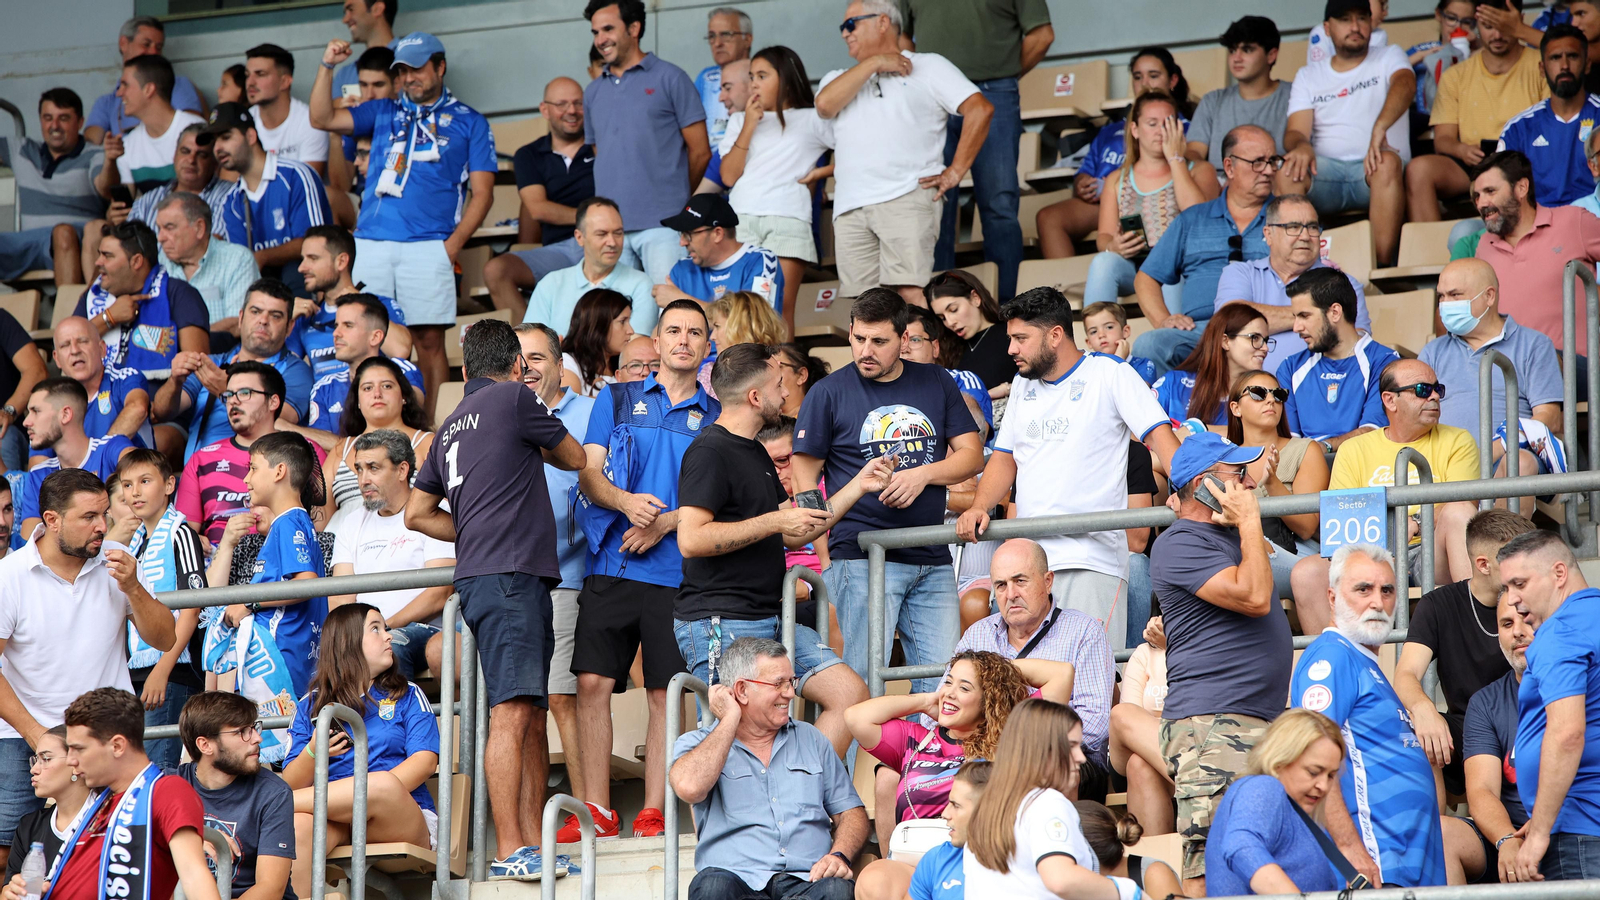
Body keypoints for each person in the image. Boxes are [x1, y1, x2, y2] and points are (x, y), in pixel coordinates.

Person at [406, 317, 587, 876]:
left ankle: (531, 842)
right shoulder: (515, 397)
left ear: (464, 371)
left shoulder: (449, 424)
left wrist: (473, 529)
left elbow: (415, 513)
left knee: (528, 711)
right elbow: (576, 457)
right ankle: (510, 849)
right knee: (511, 713)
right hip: (510, 576)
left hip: (492, 575)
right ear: (516, 365)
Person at [675, 343, 882, 756]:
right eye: (778, 385)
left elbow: (795, 529)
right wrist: (773, 522)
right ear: (755, 397)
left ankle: (799, 784)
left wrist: (859, 485)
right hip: (722, 619)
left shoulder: (754, 449)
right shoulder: (709, 451)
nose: (786, 393)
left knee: (849, 694)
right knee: (737, 738)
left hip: (770, 617)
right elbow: (691, 539)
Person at [955, 287, 1177, 644]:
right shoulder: (1022, 386)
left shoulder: (1110, 372)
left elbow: (1161, 438)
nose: (1011, 349)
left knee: (1086, 671)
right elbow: (1004, 457)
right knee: (1027, 674)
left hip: (1091, 560)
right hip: (1029, 564)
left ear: (1055, 335)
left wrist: (1187, 491)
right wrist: (980, 505)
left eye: (1021, 339)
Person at [567, 300, 714, 839]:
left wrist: (666, 522)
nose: (683, 340)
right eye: (674, 330)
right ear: (657, 340)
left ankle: (654, 809)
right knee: (591, 682)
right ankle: (598, 811)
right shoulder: (616, 397)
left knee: (663, 693)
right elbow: (588, 474)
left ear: (706, 345)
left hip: (677, 573)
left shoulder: (716, 416)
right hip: (612, 561)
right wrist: (628, 504)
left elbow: (716, 501)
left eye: (694, 333)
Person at [794, 289, 984, 692]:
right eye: (859, 338)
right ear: (849, 332)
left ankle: (924, 741)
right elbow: (803, 477)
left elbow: (972, 456)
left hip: (931, 553)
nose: (866, 350)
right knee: (863, 685)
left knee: (942, 685)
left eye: (879, 341)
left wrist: (923, 475)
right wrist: (823, 552)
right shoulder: (827, 392)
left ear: (904, 339)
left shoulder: (936, 379)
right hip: (861, 557)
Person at [310, 33, 498, 416]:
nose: (409, 77)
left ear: (440, 67)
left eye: (417, 68)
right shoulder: (382, 110)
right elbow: (322, 118)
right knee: (367, 337)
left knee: (428, 342)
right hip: (371, 243)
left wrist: (451, 246)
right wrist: (327, 65)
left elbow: (483, 194)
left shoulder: (470, 121)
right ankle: (367, 422)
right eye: (402, 70)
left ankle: (431, 429)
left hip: (430, 245)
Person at [0, 469, 176, 874]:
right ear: (51, 520)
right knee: (6, 849)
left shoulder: (118, 561)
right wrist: (37, 735)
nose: (102, 526)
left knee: (119, 845)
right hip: (22, 734)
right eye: (89, 517)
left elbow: (165, 638)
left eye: (104, 514)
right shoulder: (9, 576)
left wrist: (134, 588)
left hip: (105, 735)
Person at [1151, 431, 1290, 895]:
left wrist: (1246, 528)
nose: (1249, 483)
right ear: (1205, 484)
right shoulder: (1180, 541)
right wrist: (1250, 521)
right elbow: (1254, 597)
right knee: (1210, 866)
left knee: (1252, 856)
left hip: (1248, 721)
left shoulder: (1228, 538)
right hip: (1212, 726)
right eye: (1238, 474)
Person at [1292, 543, 1464, 887]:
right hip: (1375, 865)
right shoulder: (1331, 658)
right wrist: (1349, 848)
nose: (1377, 602)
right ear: (1332, 598)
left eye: (1387, 590)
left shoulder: (1364, 663)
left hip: (1408, 867)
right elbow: (1310, 759)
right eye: (1363, 589)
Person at [848, 653, 1071, 897]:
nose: (950, 693)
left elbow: (1062, 675)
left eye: (964, 687)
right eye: (948, 682)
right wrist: (925, 701)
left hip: (977, 857)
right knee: (874, 879)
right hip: (916, 858)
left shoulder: (1011, 736)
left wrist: (996, 672)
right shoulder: (916, 739)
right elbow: (856, 718)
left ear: (989, 698)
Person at [815, 1, 990, 306]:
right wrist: (875, 63)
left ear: (883, 22)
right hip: (851, 205)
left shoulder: (929, 65)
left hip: (907, 195)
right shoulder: (837, 78)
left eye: (851, 24)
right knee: (866, 307)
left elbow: (980, 108)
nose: (844, 33)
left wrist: (956, 171)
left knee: (911, 294)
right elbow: (824, 105)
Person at [1291, 359, 1484, 630]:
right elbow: (1342, 518)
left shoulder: (1458, 440)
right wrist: (1388, 537)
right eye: (1422, 390)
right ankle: (1335, 656)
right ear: (1390, 400)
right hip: (1370, 552)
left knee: (1460, 513)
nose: (1434, 397)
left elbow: (1462, 505)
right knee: (1306, 572)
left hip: (1428, 551)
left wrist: (1416, 522)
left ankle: (1476, 630)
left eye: (1437, 389)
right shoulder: (1354, 449)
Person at [669, 637, 866, 900]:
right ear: (741, 691)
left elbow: (852, 813)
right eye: (778, 684)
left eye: (791, 682)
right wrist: (729, 719)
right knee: (712, 887)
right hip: (736, 881)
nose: (790, 693)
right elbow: (689, 787)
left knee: (837, 890)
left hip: (807, 880)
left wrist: (839, 855)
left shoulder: (811, 738)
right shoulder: (697, 744)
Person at [0, 688, 219, 900]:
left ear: (117, 746)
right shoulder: (101, 804)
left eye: (79, 749)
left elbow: (193, 875)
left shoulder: (163, 790)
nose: (71, 760)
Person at [280, 604, 439, 897]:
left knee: (380, 785)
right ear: (346, 642)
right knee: (298, 827)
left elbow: (425, 762)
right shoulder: (309, 706)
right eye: (376, 629)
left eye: (385, 628)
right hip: (333, 818)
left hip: (397, 816)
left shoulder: (407, 694)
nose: (389, 636)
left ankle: (269, 804)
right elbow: (290, 781)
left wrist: (364, 795)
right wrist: (313, 751)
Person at [900, 0, 1052, 301]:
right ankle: (938, 310)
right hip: (933, 95)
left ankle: (1009, 311)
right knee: (935, 204)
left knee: (999, 205)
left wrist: (1004, 72)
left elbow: (1042, 35)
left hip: (993, 89)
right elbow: (900, 37)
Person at [506, 323, 595, 821]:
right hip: (515, 580)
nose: (528, 368)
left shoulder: (590, 413)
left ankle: (588, 816)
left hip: (569, 574)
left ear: (561, 366)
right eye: (519, 359)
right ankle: (531, 827)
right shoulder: (500, 413)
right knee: (526, 709)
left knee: (560, 696)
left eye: (538, 358)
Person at [947, 539, 1117, 797]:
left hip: (1066, 759)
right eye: (1001, 585)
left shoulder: (1083, 631)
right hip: (983, 757)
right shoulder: (978, 635)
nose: (1010, 594)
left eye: (1020, 581)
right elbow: (940, 710)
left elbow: (1094, 725)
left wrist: (1021, 749)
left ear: (1048, 581)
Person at [1395, 510, 1534, 799]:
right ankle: (1438, 825)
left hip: (1531, 716)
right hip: (1467, 728)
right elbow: (1406, 673)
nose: (1526, 568)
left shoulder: (1536, 598)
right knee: (1411, 729)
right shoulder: (1438, 605)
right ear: (1483, 564)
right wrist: (1423, 709)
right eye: (1515, 559)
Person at [962, 698, 1145, 900]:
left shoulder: (988, 808)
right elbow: (1061, 879)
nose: (1081, 757)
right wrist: (1130, 892)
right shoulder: (1047, 802)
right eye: (1072, 746)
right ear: (1041, 749)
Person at [583, 0, 709, 286]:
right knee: (615, 313)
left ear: (634, 28)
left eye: (608, 29)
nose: (600, 40)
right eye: (595, 32)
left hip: (664, 225)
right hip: (610, 230)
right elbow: (602, 154)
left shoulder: (672, 78)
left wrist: (674, 197)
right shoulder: (592, 92)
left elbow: (701, 152)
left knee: (671, 309)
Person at [1131, 124, 1275, 375]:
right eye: (1258, 162)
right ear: (1229, 167)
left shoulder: (1288, 217)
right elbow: (1146, 278)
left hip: (1269, 331)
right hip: (1202, 333)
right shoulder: (1193, 219)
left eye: (1273, 161)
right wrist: (1164, 319)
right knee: (1149, 345)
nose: (1269, 170)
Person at [1498, 529, 1600, 881]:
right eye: (1506, 587)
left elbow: (1567, 733)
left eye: (1520, 584)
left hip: (1579, 831)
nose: (1512, 599)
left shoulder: (1559, 631)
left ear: (1559, 573)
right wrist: (1544, 812)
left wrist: (1541, 831)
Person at [1282, 0, 1413, 267]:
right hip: (1325, 174)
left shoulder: (1389, 55)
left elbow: (1406, 83)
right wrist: (1301, 145)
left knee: (1387, 162)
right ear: (1327, 28)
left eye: (1362, 18)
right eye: (1344, 20)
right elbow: (1295, 131)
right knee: (1287, 171)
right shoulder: (1308, 75)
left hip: (1370, 170)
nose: (1355, 26)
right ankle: (1298, 268)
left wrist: (1380, 127)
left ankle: (1378, 269)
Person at [1418, 259, 1562, 501]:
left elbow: (1550, 417)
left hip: (1508, 460)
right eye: (1441, 296)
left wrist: (1490, 452)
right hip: (1446, 466)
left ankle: (1496, 527)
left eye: (1455, 295)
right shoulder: (1432, 352)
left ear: (1489, 296)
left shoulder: (1534, 344)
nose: (1445, 304)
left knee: (1519, 463)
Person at [208, 432, 329, 717]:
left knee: (274, 739)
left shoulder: (289, 523)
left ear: (279, 471)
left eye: (252, 468)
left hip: (279, 659)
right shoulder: (291, 522)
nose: (246, 479)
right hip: (287, 655)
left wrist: (249, 603)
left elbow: (306, 583)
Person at [1037, 48, 1195, 262]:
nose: (1145, 83)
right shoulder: (1110, 130)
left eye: (1153, 75)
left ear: (1173, 80)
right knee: (1048, 217)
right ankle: (1063, 283)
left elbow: (1193, 169)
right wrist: (1082, 183)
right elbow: (1086, 169)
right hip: (1104, 201)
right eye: (1137, 77)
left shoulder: (1184, 127)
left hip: (1155, 200)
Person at [718, 45, 832, 324]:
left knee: (779, 309)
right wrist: (749, 124)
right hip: (741, 220)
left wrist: (824, 172)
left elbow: (857, 147)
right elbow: (728, 176)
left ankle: (783, 357)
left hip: (788, 220)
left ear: (786, 78)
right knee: (737, 312)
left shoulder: (811, 118)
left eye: (762, 76)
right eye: (751, 76)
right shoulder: (739, 120)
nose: (754, 83)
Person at [329, 430, 455, 679]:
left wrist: (383, 628)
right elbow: (340, 598)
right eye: (359, 469)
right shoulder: (351, 523)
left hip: (424, 629)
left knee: (390, 647)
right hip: (366, 634)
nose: (363, 479)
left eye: (373, 468)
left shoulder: (435, 513)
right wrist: (364, 633)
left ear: (402, 470)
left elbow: (439, 593)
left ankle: (393, 708)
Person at [1406, 3, 1547, 223]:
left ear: (1519, 20)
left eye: (1504, 26)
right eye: (1488, 26)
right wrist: (1461, 149)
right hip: (1474, 162)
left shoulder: (1543, 65)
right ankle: (1429, 246)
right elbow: (1443, 140)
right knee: (1418, 170)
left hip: (1527, 160)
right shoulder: (1456, 75)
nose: (1497, 35)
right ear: (1476, 23)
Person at [1084, 91, 1220, 313]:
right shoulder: (1117, 179)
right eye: (1152, 123)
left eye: (1167, 123)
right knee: (1102, 262)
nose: (1160, 131)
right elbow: (1104, 236)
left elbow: (1199, 219)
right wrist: (1113, 246)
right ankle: (1096, 331)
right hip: (1134, 266)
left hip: (1182, 268)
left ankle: (1170, 333)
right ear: (1135, 130)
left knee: (1168, 270)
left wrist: (1176, 158)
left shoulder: (1200, 170)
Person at [115, 450, 208, 771]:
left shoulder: (181, 533)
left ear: (169, 485)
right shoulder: (135, 542)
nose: (135, 492)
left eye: (145, 481)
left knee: (158, 769)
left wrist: (162, 671)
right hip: (138, 673)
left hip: (172, 672)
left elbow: (192, 607)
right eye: (127, 485)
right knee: (138, 770)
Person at [152, 279, 312, 462]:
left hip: (252, 472)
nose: (263, 320)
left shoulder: (296, 371)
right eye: (255, 311)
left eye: (275, 316)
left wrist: (226, 391)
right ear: (241, 318)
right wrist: (175, 381)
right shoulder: (212, 363)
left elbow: (280, 422)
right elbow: (162, 412)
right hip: (198, 472)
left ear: (289, 327)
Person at [1215, 195, 1371, 375]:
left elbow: (1356, 345)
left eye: (1312, 227)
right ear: (1269, 234)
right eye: (1293, 227)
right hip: (1246, 387)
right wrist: (1317, 315)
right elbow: (1229, 322)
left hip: (1318, 386)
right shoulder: (1241, 273)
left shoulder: (1344, 284)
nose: (1305, 236)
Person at [1472, 150, 1600, 365]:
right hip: (1510, 370)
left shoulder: (1573, 221)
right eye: (1477, 196)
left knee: (1545, 362)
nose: (1481, 203)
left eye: (1490, 191)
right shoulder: (1484, 245)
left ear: (1522, 188)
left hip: (1573, 366)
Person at [482, 78, 596, 321]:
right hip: (557, 251)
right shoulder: (529, 154)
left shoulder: (602, 147)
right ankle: (531, 340)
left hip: (600, 242)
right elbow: (538, 209)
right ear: (545, 109)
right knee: (496, 270)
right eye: (562, 104)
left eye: (578, 103)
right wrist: (594, 219)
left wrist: (598, 228)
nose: (572, 111)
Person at [1205, 708, 1352, 896]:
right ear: (1279, 761)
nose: (1323, 786)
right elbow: (1241, 846)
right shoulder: (1264, 786)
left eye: (1331, 776)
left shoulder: (1293, 812)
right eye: (1314, 772)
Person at [200, 103, 332, 297]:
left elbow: (315, 242)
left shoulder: (295, 175)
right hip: (266, 292)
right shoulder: (231, 201)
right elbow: (242, 261)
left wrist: (263, 257)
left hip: (308, 283)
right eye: (214, 142)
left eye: (226, 137)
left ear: (251, 136)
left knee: (294, 270)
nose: (218, 148)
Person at [176, 691, 295, 900]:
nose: (258, 738)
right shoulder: (170, 784)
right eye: (242, 732)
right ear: (205, 745)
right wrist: (190, 836)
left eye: (254, 728)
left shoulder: (273, 793)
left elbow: (270, 889)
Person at [1227, 369, 1332, 602]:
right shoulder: (1222, 458)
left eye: (1278, 395)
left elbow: (1306, 527)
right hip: (1236, 553)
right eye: (1258, 393)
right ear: (1235, 408)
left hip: (1295, 553)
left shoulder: (1305, 449)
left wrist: (1273, 483)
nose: (1270, 400)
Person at [1278, 267, 1400, 448]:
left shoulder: (1384, 362)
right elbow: (1287, 442)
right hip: (1305, 464)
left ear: (1335, 312)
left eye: (1304, 316)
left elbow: (1373, 433)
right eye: (1295, 317)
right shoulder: (1290, 368)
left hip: (1359, 463)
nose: (1296, 327)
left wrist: (1324, 447)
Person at [175, 362, 294, 545]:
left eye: (245, 393)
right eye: (229, 394)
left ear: (273, 401)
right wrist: (194, 541)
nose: (233, 401)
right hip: (217, 557)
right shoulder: (202, 459)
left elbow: (319, 528)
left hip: (282, 553)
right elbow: (183, 533)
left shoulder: (302, 452)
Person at [76, 220, 211, 380]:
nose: (98, 262)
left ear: (136, 261)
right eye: (99, 254)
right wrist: (109, 318)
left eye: (107, 256)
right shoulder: (94, 296)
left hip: (158, 393)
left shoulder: (178, 294)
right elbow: (69, 347)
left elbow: (198, 372)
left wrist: (165, 395)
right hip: (99, 393)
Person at [1462, 593, 1536, 883]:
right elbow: (1481, 791)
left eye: (1526, 619)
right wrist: (1506, 839)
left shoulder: (1582, 685)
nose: (1517, 631)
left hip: (1572, 829)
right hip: (1510, 835)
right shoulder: (1485, 702)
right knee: (1445, 835)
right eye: (1506, 624)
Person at [0, 88, 104, 288]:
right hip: (28, 242)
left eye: (63, 118)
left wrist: (112, 162)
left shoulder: (95, 154)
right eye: (48, 118)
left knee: (62, 233)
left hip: (75, 239)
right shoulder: (21, 149)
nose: (54, 126)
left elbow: (105, 186)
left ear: (80, 123)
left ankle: (72, 308)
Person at [316, 356, 433, 525]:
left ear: (404, 396)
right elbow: (320, 519)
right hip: (340, 539)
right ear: (357, 401)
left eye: (387, 386)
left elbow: (445, 506)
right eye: (367, 388)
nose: (377, 394)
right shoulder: (341, 449)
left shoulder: (428, 443)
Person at [289, 225, 413, 382]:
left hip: (369, 394)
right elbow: (281, 372)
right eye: (303, 259)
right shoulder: (306, 317)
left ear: (341, 261)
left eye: (313, 258)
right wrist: (285, 320)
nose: (301, 268)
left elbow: (401, 350)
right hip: (324, 397)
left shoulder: (380, 305)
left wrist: (362, 304)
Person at [1493, 27, 1597, 209]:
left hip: (1593, 220)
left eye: (1572, 56)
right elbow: (1500, 190)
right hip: (1538, 222)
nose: (1564, 66)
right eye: (1555, 58)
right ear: (1542, 69)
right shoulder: (1519, 129)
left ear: (1587, 64)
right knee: (1466, 226)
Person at [15, 379, 137, 535]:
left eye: (36, 411)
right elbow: (30, 542)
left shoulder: (111, 448)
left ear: (65, 414)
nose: (26, 422)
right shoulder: (38, 475)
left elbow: (143, 474)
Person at [855, 760, 989, 900]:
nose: (945, 814)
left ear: (989, 808)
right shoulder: (935, 859)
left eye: (956, 806)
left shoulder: (1006, 866)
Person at [523, 197, 656, 338]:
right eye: (602, 234)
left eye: (618, 233)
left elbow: (634, 346)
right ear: (579, 237)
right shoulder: (550, 284)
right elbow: (531, 343)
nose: (612, 242)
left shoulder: (641, 285)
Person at [301, 294, 426, 439]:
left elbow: (412, 415)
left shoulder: (401, 370)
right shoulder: (325, 386)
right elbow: (320, 445)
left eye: (348, 325)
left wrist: (287, 426)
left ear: (375, 337)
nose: (336, 333)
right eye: (336, 326)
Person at [1187, 17, 1296, 173]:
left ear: (1271, 55)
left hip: (1272, 179)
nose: (1236, 58)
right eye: (1232, 50)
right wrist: (1205, 176)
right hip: (1220, 183)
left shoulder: (1296, 95)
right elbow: (1193, 152)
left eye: (1247, 50)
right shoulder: (1212, 101)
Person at [655, 189, 784, 315]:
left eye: (688, 234)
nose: (682, 242)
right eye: (681, 234)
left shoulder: (760, 261)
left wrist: (683, 303)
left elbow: (753, 324)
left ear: (717, 234)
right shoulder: (682, 269)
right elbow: (664, 328)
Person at [155, 190, 261, 343]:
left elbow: (238, 322)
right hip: (170, 355)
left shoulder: (237, 259)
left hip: (222, 354)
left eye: (169, 228)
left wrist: (187, 340)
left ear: (199, 228)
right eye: (159, 229)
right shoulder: (160, 263)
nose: (160, 238)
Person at [84, 17, 204, 144]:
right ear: (123, 44)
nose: (153, 52)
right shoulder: (106, 102)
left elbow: (192, 133)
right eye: (146, 44)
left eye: (159, 47)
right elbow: (91, 145)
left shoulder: (177, 84)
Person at [98, 55, 207, 196]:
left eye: (125, 85)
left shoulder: (195, 129)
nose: (119, 93)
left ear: (148, 89)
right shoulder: (128, 144)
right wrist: (110, 161)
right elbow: (121, 200)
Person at [1151, 302, 1271, 427]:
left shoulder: (1266, 396)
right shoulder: (1174, 383)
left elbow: (1262, 437)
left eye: (1266, 340)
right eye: (1254, 338)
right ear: (1225, 341)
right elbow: (1140, 431)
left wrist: (1196, 430)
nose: (1265, 348)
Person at [1109, 618, 1173, 834]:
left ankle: (1153, 857)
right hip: (1145, 750)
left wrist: (1174, 648)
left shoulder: (1213, 651)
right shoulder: (1145, 653)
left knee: (1140, 765)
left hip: (1194, 741)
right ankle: (1194, 778)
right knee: (1121, 713)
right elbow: (1130, 717)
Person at [49, 316, 152, 449]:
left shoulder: (124, 377)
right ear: (57, 359)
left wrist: (99, 456)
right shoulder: (51, 401)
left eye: (83, 341)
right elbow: (39, 459)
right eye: (65, 345)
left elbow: (138, 408)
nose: (75, 350)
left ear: (102, 349)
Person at [2, 726, 89, 883]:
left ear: (76, 763)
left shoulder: (107, 821)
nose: (34, 770)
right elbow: (8, 889)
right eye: (35, 760)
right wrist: (11, 891)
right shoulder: (28, 825)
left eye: (46, 759)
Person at [129, 124, 232, 240]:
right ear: (174, 156)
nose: (191, 160)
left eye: (201, 155)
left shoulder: (229, 197)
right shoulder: (147, 202)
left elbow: (213, 247)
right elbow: (127, 246)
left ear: (215, 163)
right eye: (185, 151)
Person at [927, 270, 1013, 400]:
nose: (950, 322)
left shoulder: (1012, 334)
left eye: (953, 310)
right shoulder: (947, 348)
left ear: (975, 298)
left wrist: (1007, 389)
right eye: (942, 318)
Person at [244, 44, 328, 177]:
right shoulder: (242, 121)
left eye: (260, 74)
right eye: (247, 75)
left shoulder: (310, 121)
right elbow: (230, 182)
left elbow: (307, 181)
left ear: (285, 82)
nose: (250, 82)